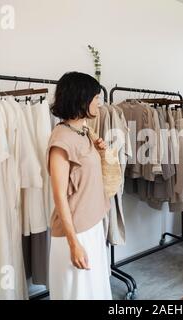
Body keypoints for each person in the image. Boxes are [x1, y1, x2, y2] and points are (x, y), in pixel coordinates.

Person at [47, 72, 112, 299]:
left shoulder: (83, 131)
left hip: (91, 226)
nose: (99, 103)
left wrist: (100, 152)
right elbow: (59, 197)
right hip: (74, 232)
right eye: (96, 98)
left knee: (95, 291)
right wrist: (74, 244)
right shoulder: (60, 141)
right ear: (82, 100)